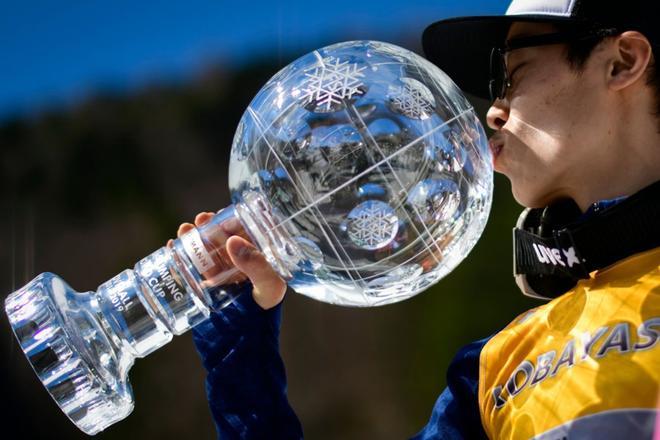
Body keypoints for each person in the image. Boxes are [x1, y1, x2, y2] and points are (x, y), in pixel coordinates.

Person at [178, 0, 660, 438]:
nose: (493, 113)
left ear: (622, 63)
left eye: (512, 75)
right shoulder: (498, 364)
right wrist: (240, 354)